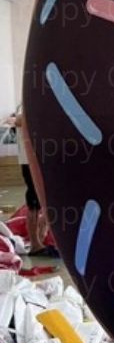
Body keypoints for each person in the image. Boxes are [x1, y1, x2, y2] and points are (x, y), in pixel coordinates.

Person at [3, 105, 49, 252]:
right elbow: (17, 120)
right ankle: (35, 243)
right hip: (30, 160)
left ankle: (41, 237)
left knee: (45, 199)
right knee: (34, 200)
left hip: (41, 158)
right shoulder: (27, 104)